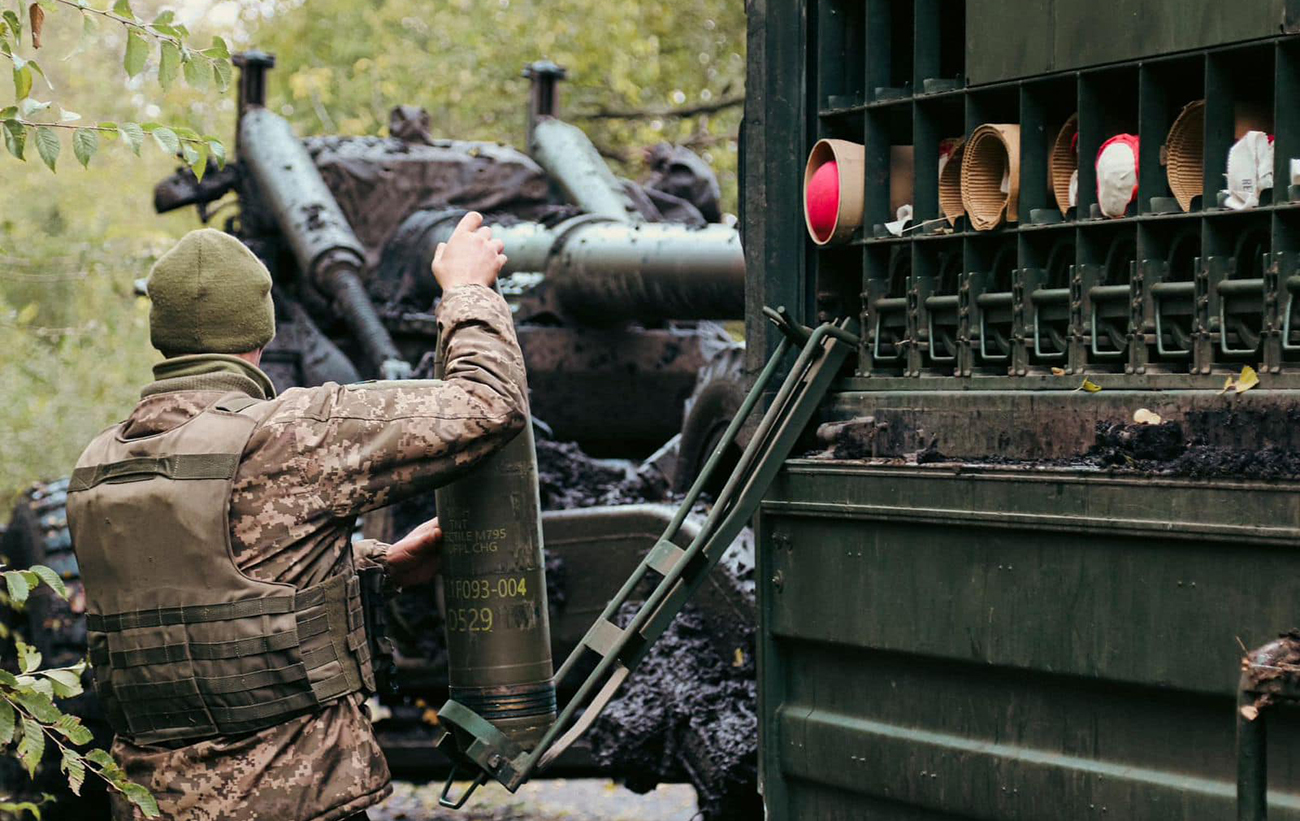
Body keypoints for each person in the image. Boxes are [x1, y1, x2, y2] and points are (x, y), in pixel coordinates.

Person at [65, 212, 523, 821]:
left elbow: (206, 596)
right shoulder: (290, 434)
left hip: (151, 805)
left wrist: (380, 566)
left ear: (163, 334)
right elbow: (487, 405)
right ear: (261, 330)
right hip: (293, 799)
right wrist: (466, 289)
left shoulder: (99, 465)